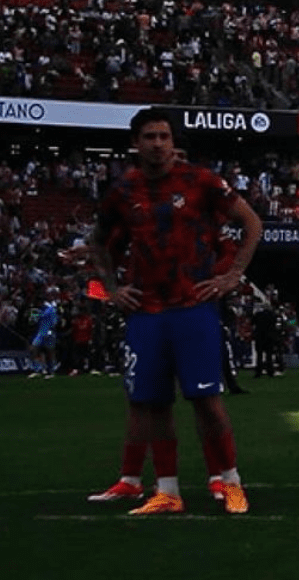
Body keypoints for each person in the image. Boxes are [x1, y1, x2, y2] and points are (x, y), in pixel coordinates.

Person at [85, 107, 262, 515]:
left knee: (207, 401)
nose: (158, 144)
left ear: (173, 141)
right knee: (153, 403)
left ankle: (231, 481)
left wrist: (233, 274)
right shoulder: (122, 190)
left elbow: (252, 223)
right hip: (146, 311)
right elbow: (98, 240)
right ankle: (167, 491)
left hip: (193, 306)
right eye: (150, 137)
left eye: (164, 136)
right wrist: (111, 289)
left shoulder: (200, 181)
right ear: (135, 143)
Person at [27, 294, 60, 378]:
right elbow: (32, 322)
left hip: (49, 333)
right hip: (40, 333)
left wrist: (50, 331)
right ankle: (37, 369)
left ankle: (50, 371)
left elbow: (55, 322)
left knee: (49, 352)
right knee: (34, 349)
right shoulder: (36, 310)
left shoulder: (50, 309)